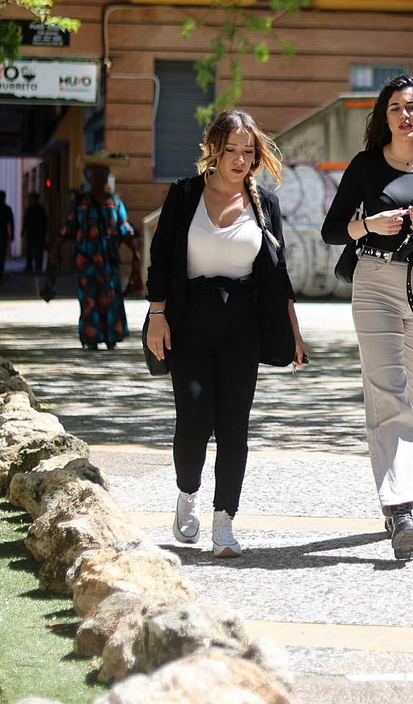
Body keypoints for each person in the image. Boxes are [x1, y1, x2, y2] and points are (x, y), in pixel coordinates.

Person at [320, 75, 413, 560]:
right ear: (383, 117)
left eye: (411, 107)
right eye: (394, 108)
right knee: (386, 393)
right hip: (374, 283)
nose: (404, 115)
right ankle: (401, 508)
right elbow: (331, 230)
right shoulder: (366, 165)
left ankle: (400, 493)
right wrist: (368, 224)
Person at [145, 110, 307, 558]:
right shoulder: (183, 195)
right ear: (213, 149)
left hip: (242, 325)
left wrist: (293, 333)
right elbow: (160, 261)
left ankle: (224, 521)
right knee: (194, 421)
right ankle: (187, 494)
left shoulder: (263, 204)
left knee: (234, 428)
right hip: (188, 320)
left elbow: (278, 276)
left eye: (248, 152)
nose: (239, 160)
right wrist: (157, 315)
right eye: (231, 150)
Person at [53, 155, 142, 351]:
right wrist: (55, 250)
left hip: (108, 260)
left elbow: (124, 228)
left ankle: (111, 336)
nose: (98, 181)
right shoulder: (79, 202)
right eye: (94, 177)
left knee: (110, 297)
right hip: (85, 260)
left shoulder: (115, 202)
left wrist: (135, 251)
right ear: (89, 179)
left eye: (101, 177)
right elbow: (68, 227)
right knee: (89, 299)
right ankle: (91, 338)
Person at [22, 192, 49, 274]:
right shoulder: (32, 210)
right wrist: (23, 231)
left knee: (37, 251)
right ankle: (31, 266)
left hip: (37, 233)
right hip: (33, 233)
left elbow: (44, 223)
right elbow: (26, 221)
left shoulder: (38, 210)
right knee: (31, 251)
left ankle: (37, 266)